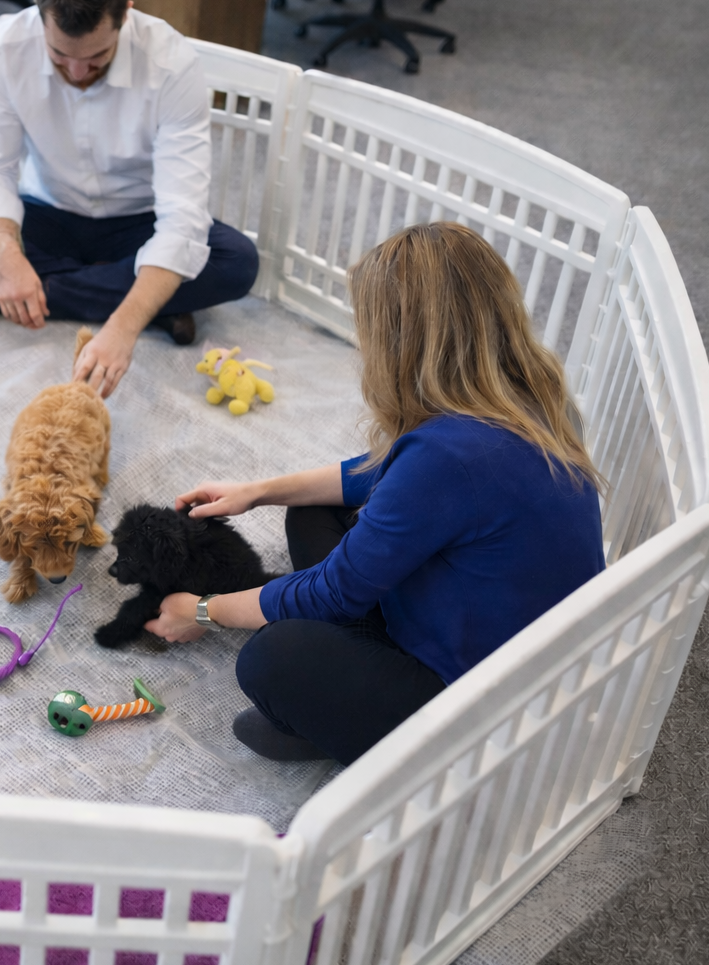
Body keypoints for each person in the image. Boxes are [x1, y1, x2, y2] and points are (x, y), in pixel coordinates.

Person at [142, 222, 606, 765]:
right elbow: (384, 474)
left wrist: (202, 611)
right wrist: (257, 491)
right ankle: (344, 695)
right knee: (311, 510)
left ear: (402, 343)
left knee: (272, 657)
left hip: (477, 700)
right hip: (500, 632)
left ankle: (359, 723)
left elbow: (332, 592)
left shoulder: (448, 455)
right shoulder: (528, 395)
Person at [0, 0, 259, 399]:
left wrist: (123, 328)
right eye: (58, 54)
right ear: (40, 16)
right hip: (47, 212)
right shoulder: (7, 45)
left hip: (137, 223)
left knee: (237, 262)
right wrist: (7, 254)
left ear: (125, 15)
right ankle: (154, 301)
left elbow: (183, 217)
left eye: (96, 56)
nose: (77, 71)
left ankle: (9, 294)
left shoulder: (172, 61)